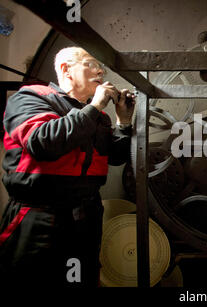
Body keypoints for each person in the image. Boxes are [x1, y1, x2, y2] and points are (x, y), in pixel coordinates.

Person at [0, 47, 136, 287]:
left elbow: (114, 157)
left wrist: (123, 121)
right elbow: (43, 142)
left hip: (86, 216)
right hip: (39, 215)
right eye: (91, 64)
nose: (100, 71)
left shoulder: (99, 118)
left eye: (101, 68)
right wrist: (94, 107)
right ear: (66, 69)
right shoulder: (31, 98)